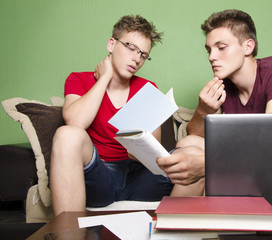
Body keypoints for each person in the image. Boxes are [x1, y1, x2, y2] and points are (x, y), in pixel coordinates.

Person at [50, 15, 201, 217]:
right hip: (99, 175)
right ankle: (68, 232)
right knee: (66, 134)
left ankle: (175, 227)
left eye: (143, 55)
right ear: (112, 44)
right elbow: (75, 123)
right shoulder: (79, 79)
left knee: (198, 152)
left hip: (137, 177)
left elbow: (151, 153)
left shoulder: (147, 89)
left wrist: (139, 147)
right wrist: (104, 78)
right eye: (131, 48)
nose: (137, 59)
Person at [157, 9, 272, 191]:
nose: (211, 57)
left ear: (248, 47)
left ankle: (175, 218)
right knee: (187, 144)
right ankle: (175, 219)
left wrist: (206, 164)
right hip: (255, 160)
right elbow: (195, 135)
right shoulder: (225, 85)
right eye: (209, 50)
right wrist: (203, 109)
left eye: (221, 47)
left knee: (201, 163)